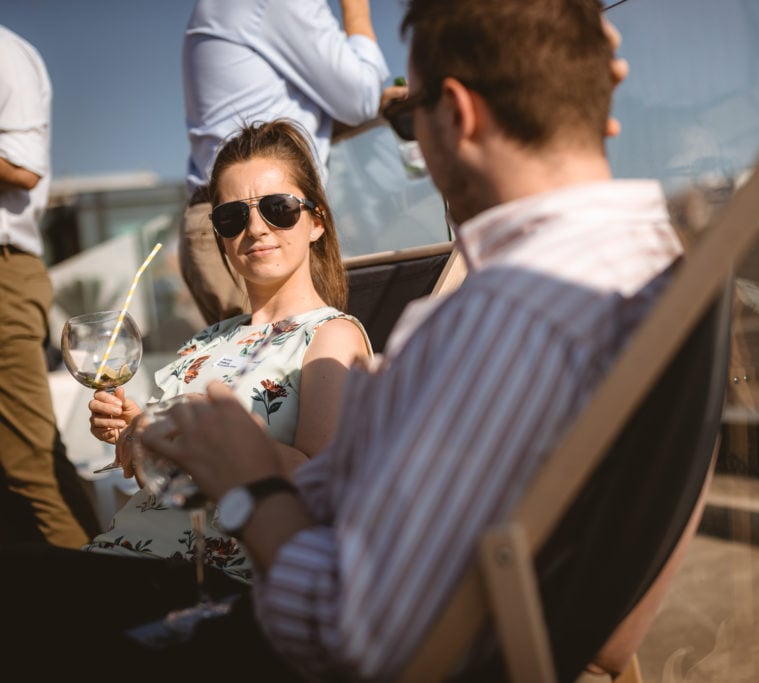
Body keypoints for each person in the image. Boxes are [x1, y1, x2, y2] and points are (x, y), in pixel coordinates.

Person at [145, 1, 681, 679]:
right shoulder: (643, 266)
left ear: (454, 115)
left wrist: (248, 484)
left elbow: (352, 626)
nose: (412, 142)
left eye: (410, 113)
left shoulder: (507, 317)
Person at [0, 119, 373, 672]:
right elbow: (156, 473)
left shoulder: (331, 336)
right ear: (220, 233)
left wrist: (179, 438)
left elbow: (324, 485)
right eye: (232, 216)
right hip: (127, 556)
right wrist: (134, 432)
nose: (256, 227)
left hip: (210, 580)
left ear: (316, 220)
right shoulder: (207, 339)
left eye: (278, 207)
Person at [180, 0, 391, 327]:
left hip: (227, 219)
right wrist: (356, 10)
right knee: (273, 369)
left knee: (271, 368)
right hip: (250, 218)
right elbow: (360, 98)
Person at [0, 24, 98, 549]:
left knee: (28, 465)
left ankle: (101, 609)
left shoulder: (6, 53)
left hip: (4, 271)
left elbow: (23, 168)